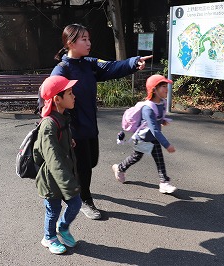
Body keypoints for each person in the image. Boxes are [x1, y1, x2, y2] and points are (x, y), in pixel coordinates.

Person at [50, 23, 152, 220]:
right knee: (84, 167)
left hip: (90, 125)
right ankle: (84, 200)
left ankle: (76, 185)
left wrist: (133, 62)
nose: (89, 43)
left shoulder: (89, 63)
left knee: (92, 160)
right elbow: (47, 98)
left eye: (89, 38)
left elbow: (111, 67)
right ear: (71, 42)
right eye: (84, 39)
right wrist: (60, 129)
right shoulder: (61, 70)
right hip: (74, 129)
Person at [33, 75, 81, 255]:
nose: (74, 96)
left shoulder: (62, 117)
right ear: (57, 99)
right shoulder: (48, 125)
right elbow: (53, 159)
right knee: (53, 210)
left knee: (75, 205)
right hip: (51, 179)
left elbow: (59, 146)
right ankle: (49, 237)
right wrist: (68, 184)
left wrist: (69, 142)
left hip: (64, 174)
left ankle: (63, 227)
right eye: (70, 93)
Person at [112, 75, 177, 194]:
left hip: (154, 139)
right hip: (143, 138)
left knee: (159, 160)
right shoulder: (147, 108)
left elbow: (156, 119)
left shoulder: (162, 103)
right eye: (163, 86)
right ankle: (119, 168)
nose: (166, 89)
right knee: (135, 157)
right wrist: (167, 145)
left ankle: (164, 183)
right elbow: (154, 130)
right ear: (154, 89)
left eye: (166, 86)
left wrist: (162, 121)